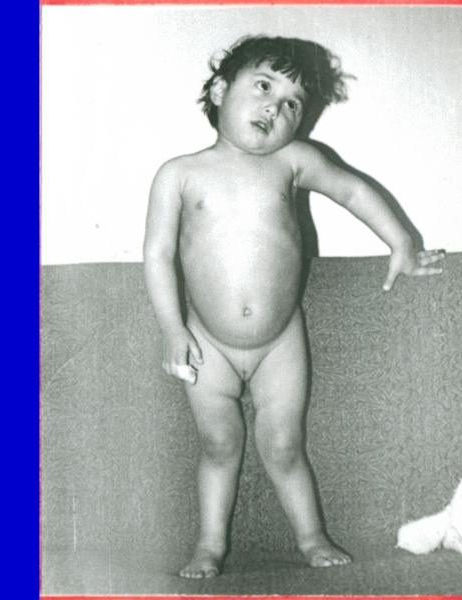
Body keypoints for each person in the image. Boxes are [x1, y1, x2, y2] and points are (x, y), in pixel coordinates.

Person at [143, 36, 444, 579]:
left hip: (280, 342)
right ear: (219, 91)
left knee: (284, 445)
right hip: (206, 342)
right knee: (218, 443)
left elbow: (352, 191)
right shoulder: (179, 173)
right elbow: (159, 254)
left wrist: (400, 242)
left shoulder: (293, 161)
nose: (274, 108)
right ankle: (209, 545)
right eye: (263, 87)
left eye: (292, 104)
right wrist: (171, 329)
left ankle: (312, 538)